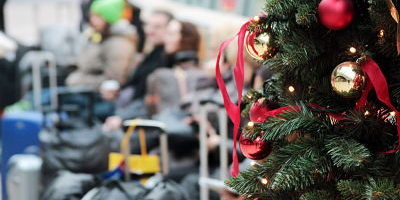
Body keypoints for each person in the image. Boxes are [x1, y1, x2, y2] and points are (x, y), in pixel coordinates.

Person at [103, 10, 173, 130]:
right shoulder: (152, 53)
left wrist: (122, 117)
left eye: (157, 27)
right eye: (148, 25)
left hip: (137, 118)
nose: (149, 30)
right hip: (126, 109)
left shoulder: (165, 60)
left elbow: (148, 100)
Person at [66, 0, 137, 90]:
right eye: (92, 16)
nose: (92, 20)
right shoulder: (102, 36)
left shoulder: (119, 43)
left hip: (99, 97)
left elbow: (114, 80)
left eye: (97, 16)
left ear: (108, 18)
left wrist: (76, 80)